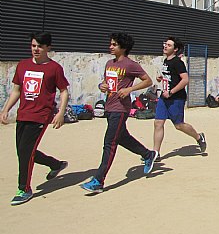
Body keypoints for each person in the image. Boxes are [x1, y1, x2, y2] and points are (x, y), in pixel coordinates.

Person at [81, 33, 158, 193]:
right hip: (109, 107)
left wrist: (130, 89)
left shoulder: (131, 65)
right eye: (111, 44)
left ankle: (98, 180)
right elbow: (108, 84)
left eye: (114, 44)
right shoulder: (109, 63)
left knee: (110, 143)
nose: (110, 47)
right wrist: (101, 86)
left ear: (123, 47)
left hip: (120, 108)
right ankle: (148, 154)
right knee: (122, 137)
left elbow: (148, 81)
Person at [0, 32, 70, 205]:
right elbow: (16, 90)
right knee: (23, 151)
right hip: (23, 114)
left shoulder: (54, 68)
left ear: (48, 48)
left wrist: (60, 112)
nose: (36, 49)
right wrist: (6, 109)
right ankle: (55, 164)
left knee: (25, 151)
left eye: (39, 46)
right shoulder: (23, 65)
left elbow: (63, 91)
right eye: (33, 46)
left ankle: (24, 189)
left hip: (41, 116)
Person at [153, 36, 206, 156]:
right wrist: (161, 78)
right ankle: (155, 153)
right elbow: (171, 77)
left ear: (175, 49)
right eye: (165, 44)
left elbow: (185, 80)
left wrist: (171, 92)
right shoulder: (166, 61)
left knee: (179, 125)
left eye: (169, 45)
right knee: (158, 123)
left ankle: (198, 137)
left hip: (176, 98)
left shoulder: (178, 62)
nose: (165, 46)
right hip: (164, 97)